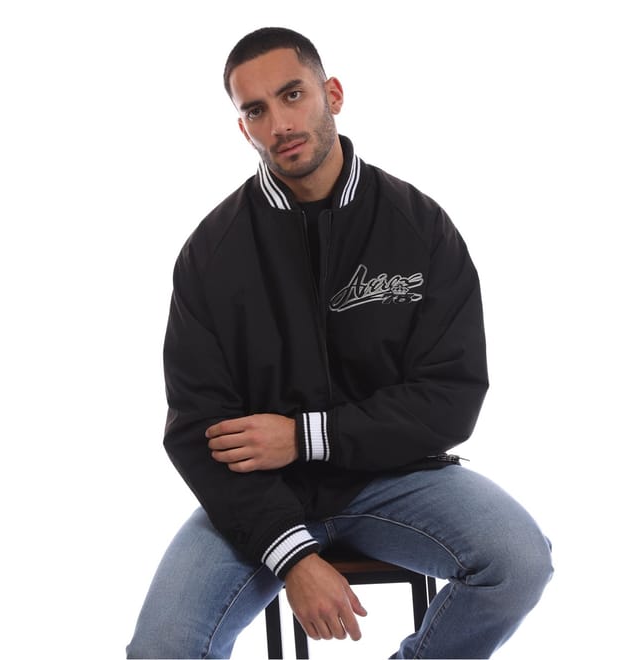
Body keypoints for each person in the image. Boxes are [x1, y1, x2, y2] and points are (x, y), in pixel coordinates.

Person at [126, 26, 553, 659]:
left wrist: (304, 436)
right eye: (255, 110)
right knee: (162, 648)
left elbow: (452, 396)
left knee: (518, 562)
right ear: (242, 128)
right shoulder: (211, 253)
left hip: (395, 479)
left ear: (332, 94)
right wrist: (292, 556)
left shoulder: (419, 227)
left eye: (292, 94)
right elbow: (197, 429)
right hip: (262, 498)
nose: (280, 123)